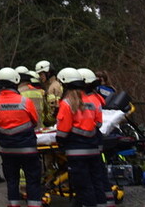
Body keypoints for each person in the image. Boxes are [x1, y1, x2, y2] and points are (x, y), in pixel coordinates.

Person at [0, 67, 43, 207]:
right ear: (15, 82)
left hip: (7, 149)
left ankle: (13, 204)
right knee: (32, 180)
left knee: (12, 181)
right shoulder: (25, 101)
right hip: (27, 148)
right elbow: (34, 121)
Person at [55, 67, 104, 207]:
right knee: (96, 182)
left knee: (83, 186)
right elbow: (99, 123)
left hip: (76, 151)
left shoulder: (66, 103)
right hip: (93, 148)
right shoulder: (93, 101)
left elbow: (63, 131)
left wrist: (61, 142)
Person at [80, 68, 116, 206]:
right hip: (95, 139)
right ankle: (106, 200)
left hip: (89, 141)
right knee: (98, 171)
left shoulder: (90, 98)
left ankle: (99, 199)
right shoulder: (97, 96)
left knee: (94, 173)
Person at [36, 60, 63, 126]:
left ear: (48, 73)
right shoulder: (49, 86)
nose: (40, 77)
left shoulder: (54, 87)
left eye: (41, 74)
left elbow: (55, 108)